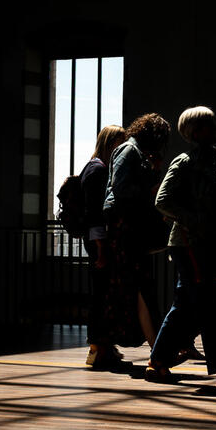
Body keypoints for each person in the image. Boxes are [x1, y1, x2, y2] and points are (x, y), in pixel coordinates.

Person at [146, 107, 216, 389]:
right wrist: (193, 221)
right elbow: (163, 199)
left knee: (184, 306)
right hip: (190, 244)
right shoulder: (185, 162)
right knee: (210, 306)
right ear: (195, 131)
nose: (215, 129)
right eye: (208, 125)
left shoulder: (215, 161)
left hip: (208, 244)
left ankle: (157, 362)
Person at [102, 113, 172, 358]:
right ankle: (157, 349)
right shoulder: (129, 151)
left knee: (138, 287)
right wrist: (149, 188)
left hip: (128, 227)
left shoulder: (133, 151)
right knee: (140, 286)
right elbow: (121, 188)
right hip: (126, 228)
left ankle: (156, 348)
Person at [81, 124, 129, 370]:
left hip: (96, 241)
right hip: (98, 242)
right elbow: (94, 214)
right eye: (119, 144)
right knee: (101, 295)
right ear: (110, 143)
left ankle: (102, 346)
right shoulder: (98, 171)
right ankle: (100, 346)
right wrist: (101, 247)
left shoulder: (94, 168)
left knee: (101, 294)